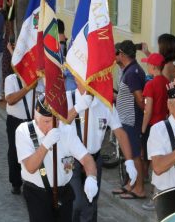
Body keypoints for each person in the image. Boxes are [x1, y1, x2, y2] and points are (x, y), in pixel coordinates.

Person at [15, 95, 99, 222]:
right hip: (37, 194)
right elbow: (30, 167)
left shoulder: (67, 131)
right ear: (36, 119)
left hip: (64, 192)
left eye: (56, 120)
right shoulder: (24, 131)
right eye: (47, 122)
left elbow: (86, 158)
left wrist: (91, 177)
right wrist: (45, 144)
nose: (53, 126)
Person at [66, 85, 138, 222]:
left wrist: (129, 161)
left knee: (90, 204)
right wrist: (78, 107)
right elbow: (57, 125)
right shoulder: (68, 97)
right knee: (74, 203)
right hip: (71, 160)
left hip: (94, 159)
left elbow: (120, 133)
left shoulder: (105, 104)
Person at [115, 40, 146, 199]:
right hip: (126, 120)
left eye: (116, 54)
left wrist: (145, 119)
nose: (115, 57)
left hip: (132, 120)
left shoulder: (133, 72)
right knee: (129, 154)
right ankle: (130, 184)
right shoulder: (129, 69)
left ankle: (139, 188)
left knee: (134, 155)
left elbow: (140, 100)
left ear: (122, 54)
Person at [140, 53, 169, 210]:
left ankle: (155, 198)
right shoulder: (166, 82)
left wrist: (143, 129)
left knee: (153, 164)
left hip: (153, 127)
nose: (147, 66)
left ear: (153, 67)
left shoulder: (150, 85)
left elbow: (147, 110)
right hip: (165, 125)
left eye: (148, 64)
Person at [4, 73, 39, 195]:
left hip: (35, 122)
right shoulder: (11, 79)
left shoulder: (40, 79)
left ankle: (34, 183)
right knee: (15, 152)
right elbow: (10, 100)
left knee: (36, 152)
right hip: (16, 122)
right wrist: (28, 88)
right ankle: (16, 182)